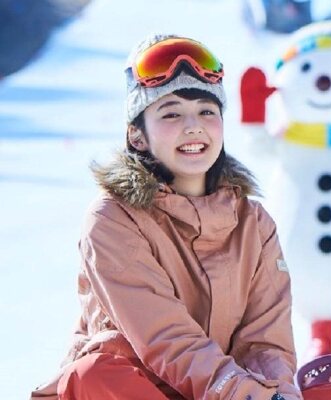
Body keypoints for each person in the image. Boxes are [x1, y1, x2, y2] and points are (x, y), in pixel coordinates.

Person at [30, 34, 301, 400]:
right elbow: (166, 340)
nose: (194, 126)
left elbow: (267, 342)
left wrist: (278, 393)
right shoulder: (112, 219)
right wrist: (248, 396)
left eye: (207, 111)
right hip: (130, 392)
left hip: (224, 394)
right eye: (171, 113)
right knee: (94, 374)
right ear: (137, 136)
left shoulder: (254, 222)